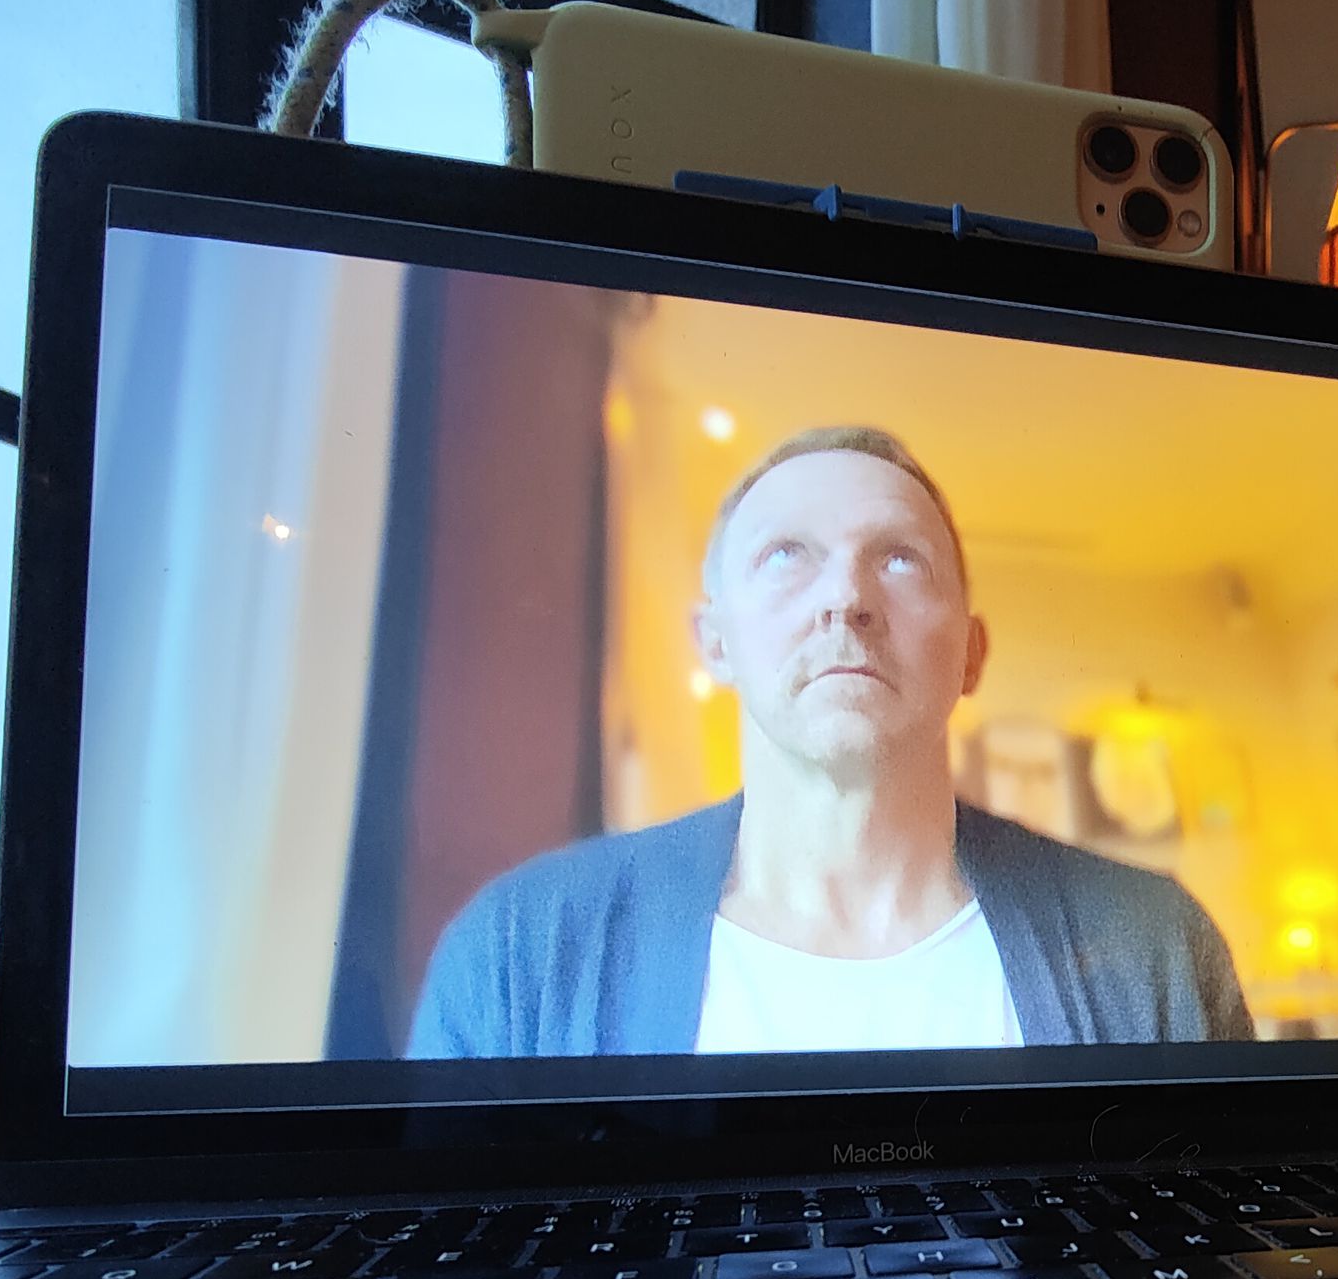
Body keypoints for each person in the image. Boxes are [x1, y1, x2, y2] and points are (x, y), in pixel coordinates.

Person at [408, 426, 1253, 1058]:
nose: (845, 597)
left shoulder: (1156, 946)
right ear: (715, 643)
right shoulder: (519, 950)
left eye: (898, 560)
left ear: (971, 652)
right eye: (786, 554)